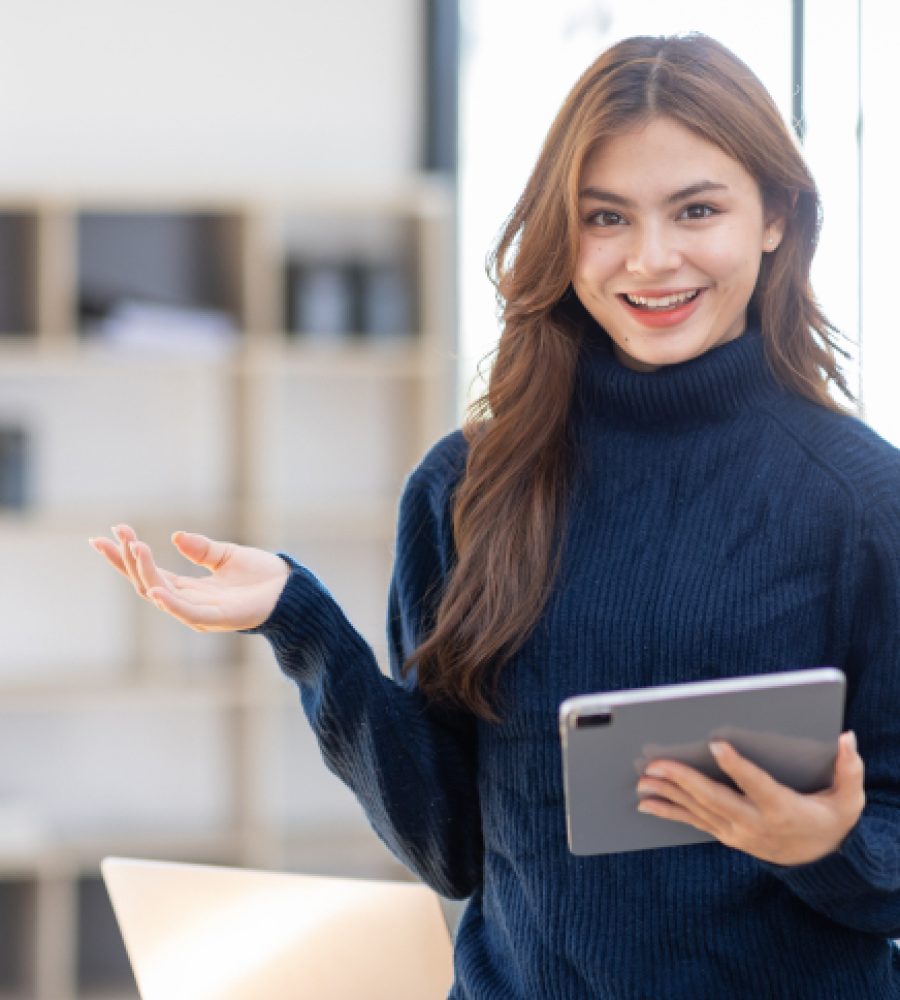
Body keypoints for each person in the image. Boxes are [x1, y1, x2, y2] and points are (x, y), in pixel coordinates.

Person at [90, 32, 900, 1000]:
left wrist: (829, 845)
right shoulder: (467, 488)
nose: (651, 257)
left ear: (775, 216)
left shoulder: (862, 502)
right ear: (564, 235)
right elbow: (453, 849)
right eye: (606, 216)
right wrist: (300, 625)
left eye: (697, 209)